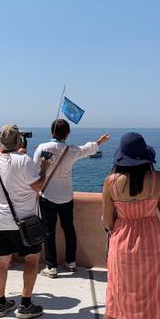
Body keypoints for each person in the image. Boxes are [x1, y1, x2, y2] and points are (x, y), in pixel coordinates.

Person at [98, 132, 160, 319]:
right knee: (148, 316)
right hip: (151, 243)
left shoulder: (111, 182)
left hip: (121, 245)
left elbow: (107, 222)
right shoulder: (157, 179)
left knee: (113, 304)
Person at [34, 119, 110, 278]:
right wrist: (99, 142)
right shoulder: (72, 150)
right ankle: (71, 262)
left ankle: (51, 267)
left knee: (49, 232)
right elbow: (87, 149)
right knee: (68, 229)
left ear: (51, 132)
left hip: (47, 196)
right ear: (67, 134)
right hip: (66, 197)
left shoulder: (42, 148)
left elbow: (34, 171)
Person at [0, 124, 51, 319]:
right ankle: (25, 305)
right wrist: (44, 168)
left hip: (1, 221)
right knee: (32, 260)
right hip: (26, 222)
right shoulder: (24, 160)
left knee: (2, 262)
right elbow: (38, 186)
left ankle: (0, 303)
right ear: (19, 141)